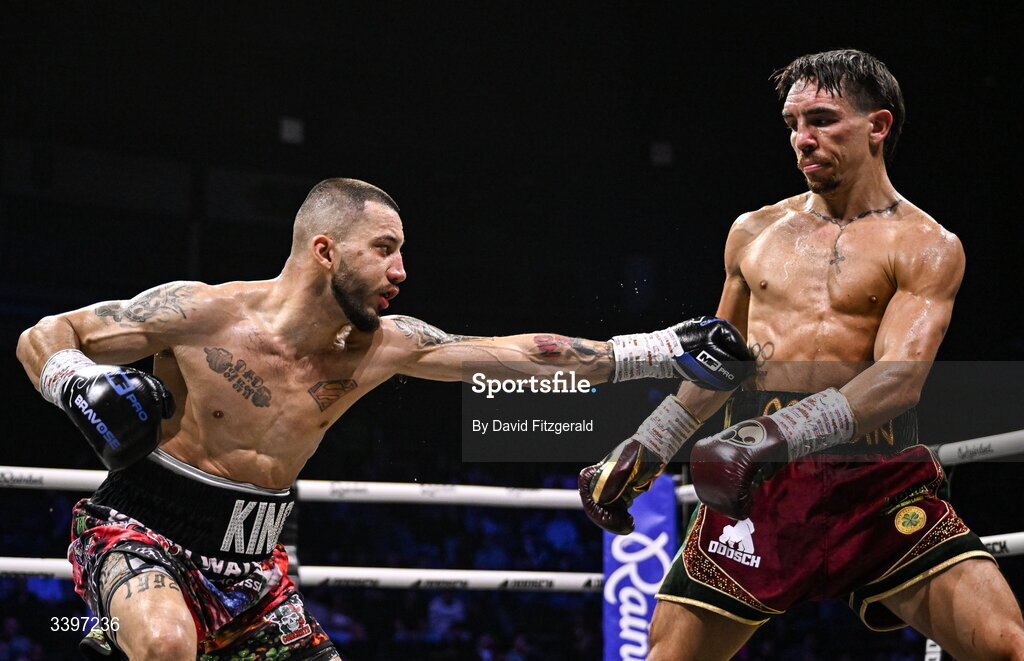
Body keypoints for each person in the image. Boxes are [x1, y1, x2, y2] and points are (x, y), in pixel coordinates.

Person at [16, 177, 751, 660]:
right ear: (325, 249)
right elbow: (44, 333)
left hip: (254, 569)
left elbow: (517, 355)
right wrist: (73, 380)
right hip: (145, 532)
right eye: (386, 249)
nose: (402, 270)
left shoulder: (382, 346)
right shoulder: (203, 312)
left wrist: (659, 348)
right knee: (167, 643)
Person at [580, 50, 1024, 660]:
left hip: (877, 480)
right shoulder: (753, 232)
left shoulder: (925, 245)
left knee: (1005, 646)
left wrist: (766, 434)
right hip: (758, 487)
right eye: (792, 124)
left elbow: (897, 382)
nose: (801, 139)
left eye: (821, 120)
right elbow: (722, 360)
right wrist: (647, 447)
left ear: (879, 126)